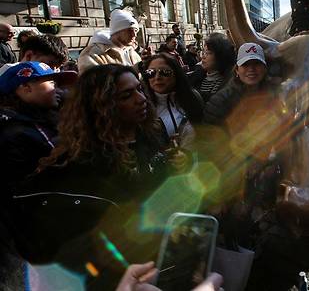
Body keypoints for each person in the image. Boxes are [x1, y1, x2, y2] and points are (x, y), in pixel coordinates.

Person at [10, 64, 184, 288]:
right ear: (101, 106)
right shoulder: (82, 163)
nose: (141, 99)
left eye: (140, 89)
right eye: (126, 95)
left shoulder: (150, 135)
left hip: (163, 260)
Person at [204, 42, 284, 247]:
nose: (251, 70)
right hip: (231, 178)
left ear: (265, 68)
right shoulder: (221, 101)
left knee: (256, 227)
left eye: (256, 64)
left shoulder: (275, 96)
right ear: (237, 70)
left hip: (263, 176)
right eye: (246, 65)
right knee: (233, 227)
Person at [0, 62, 77, 188]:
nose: (59, 90)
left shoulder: (38, 120)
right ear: (26, 87)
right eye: (52, 83)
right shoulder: (16, 133)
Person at [142, 53, 204, 148]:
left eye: (165, 72)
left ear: (176, 74)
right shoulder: (143, 106)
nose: (157, 77)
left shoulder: (192, 98)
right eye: (151, 72)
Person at [78, 9, 142, 73]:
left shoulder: (132, 53)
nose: (134, 35)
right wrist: (134, 69)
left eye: (136, 30)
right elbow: (92, 81)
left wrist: (147, 63)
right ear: (117, 31)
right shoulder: (92, 53)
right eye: (130, 30)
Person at [189, 33, 235, 102]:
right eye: (204, 52)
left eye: (208, 53)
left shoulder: (224, 83)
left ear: (220, 56)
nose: (203, 57)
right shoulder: (198, 76)